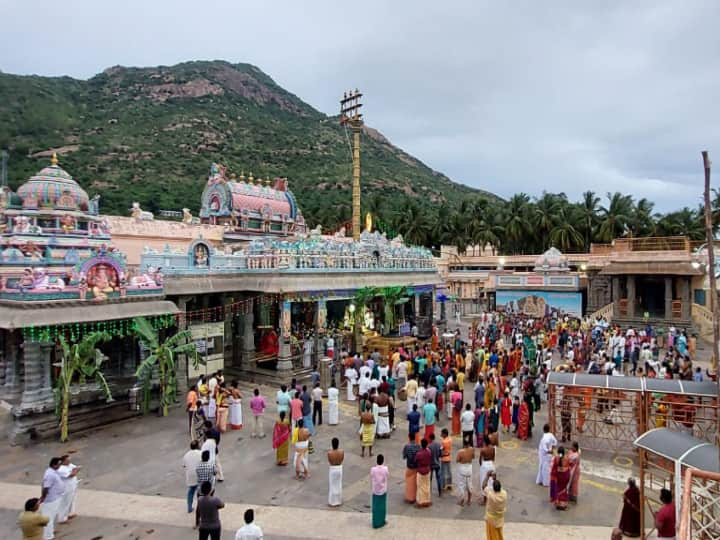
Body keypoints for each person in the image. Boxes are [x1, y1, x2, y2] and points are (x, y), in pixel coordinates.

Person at [40, 457, 64, 540]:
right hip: (50, 500)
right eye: (59, 464)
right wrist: (43, 497)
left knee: (52, 517)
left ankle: (51, 532)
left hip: (55, 498)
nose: (60, 466)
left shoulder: (53, 472)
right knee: (48, 519)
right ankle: (48, 537)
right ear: (54, 465)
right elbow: (46, 487)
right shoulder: (49, 474)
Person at [57, 454, 80, 523]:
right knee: (65, 502)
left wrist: (74, 471)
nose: (69, 462)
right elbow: (71, 475)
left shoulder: (69, 465)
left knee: (72, 500)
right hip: (66, 488)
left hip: (72, 485)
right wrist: (74, 472)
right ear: (63, 461)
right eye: (67, 460)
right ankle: (62, 518)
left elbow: (76, 468)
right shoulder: (60, 469)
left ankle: (70, 513)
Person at [371, 454, 389, 529]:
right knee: (382, 506)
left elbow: (372, 476)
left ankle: (375, 522)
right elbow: (387, 475)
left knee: (375, 506)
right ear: (383, 461)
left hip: (375, 490)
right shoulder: (385, 469)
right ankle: (382, 521)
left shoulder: (373, 469)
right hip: (383, 490)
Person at [183, 440, 202, 513]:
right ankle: (200, 507)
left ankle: (189, 507)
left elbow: (184, 465)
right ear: (197, 446)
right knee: (200, 492)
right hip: (198, 475)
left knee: (191, 491)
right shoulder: (200, 453)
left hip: (190, 476)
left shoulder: (186, 455)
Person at [402, 433, 420, 504]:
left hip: (410, 466)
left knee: (409, 482)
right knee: (415, 482)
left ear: (409, 438)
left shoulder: (407, 446)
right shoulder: (418, 446)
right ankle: (415, 496)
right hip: (416, 466)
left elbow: (404, 456)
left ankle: (409, 497)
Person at [456, 439, 475, 506]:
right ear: (469, 444)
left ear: (464, 444)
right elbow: (473, 457)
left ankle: (462, 501)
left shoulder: (460, 452)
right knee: (469, 484)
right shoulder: (472, 449)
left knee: (461, 485)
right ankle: (469, 500)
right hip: (469, 468)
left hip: (462, 469)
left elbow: (457, 460)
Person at [415, 438, 433, 508]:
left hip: (420, 470)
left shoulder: (419, 453)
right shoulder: (429, 452)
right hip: (427, 470)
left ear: (421, 444)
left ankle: (420, 501)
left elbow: (415, 460)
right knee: (427, 485)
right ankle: (427, 500)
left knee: (420, 486)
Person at [478, 434, 496, 502]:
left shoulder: (483, 450)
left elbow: (480, 460)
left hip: (485, 465)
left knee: (484, 481)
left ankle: (485, 500)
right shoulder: (493, 448)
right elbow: (493, 458)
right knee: (491, 481)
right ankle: (491, 497)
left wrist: (482, 466)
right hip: (491, 464)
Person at [328, 437, 344, 507]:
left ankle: (332, 501)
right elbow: (342, 460)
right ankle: (338, 500)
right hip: (339, 468)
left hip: (333, 468)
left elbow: (330, 461)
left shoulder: (329, 453)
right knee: (339, 484)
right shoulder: (342, 452)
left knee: (332, 485)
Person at [428, 432, 443, 497]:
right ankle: (440, 492)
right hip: (437, 464)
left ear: (430, 438)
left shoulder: (429, 446)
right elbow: (441, 454)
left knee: (429, 479)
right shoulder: (439, 445)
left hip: (431, 464)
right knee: (438, 478)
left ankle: (429, 491)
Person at [440, 428, 453, 492]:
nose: (441, 434)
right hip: (449, 456)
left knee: (443, 472)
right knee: (449, 471)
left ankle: (444, 485)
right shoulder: (450, 439)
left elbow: (441, 450)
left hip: (444, 458)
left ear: (444, 434)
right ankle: (449, 484)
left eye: (442, 433)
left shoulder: (443, 442)